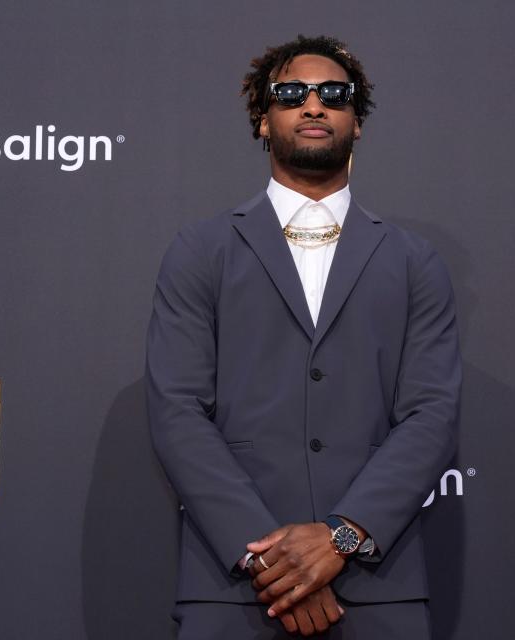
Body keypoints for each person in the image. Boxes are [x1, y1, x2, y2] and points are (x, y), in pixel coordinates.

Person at [145, 34, 461, 638]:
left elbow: (431, 413)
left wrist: (343, 538)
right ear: (264, 120)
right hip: (235, 586)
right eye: (292, 93)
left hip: (376, 585)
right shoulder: (199, 251)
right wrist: (268, 558)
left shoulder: (414, 261)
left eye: (333, 95)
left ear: (356, 122)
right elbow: (177, 411)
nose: (313, 106)